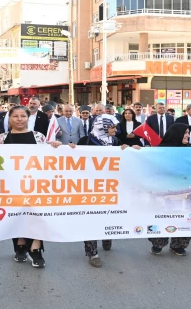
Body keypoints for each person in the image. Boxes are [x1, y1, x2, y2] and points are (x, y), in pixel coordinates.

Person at [0, 106, 62, 268]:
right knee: (16, 215)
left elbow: (50, 155)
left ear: (28, 118)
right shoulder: (1, 138)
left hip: (35, 183)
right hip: (11, 184)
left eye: (23, 116)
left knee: (36, 215)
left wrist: (56, 146)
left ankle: (36, 249)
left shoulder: (38, 137)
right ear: (9, 118)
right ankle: (20, 246)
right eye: (15, 116)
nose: (19, 119)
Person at [68, 114, 139, 267]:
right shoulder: (85, 141)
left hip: (112, 188)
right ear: (103, 127)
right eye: (113, 127)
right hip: (91, 188)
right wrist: (69, 149)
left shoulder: (115, 142)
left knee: (109, 216)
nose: (116, 130)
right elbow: (73, 158)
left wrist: (129, 150)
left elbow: (124, 160)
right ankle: (92, 253)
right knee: (91, 219)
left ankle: (107, 236)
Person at [150, 123, 191, 255]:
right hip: (165, 190)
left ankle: (178, 245)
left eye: (188, 133)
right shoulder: (161, 151)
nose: (188, 135)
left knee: (184, 216)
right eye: (185, 132)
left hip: (184, 190)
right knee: (163, 215)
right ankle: (158, 243)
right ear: (177, 133)